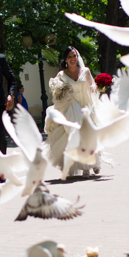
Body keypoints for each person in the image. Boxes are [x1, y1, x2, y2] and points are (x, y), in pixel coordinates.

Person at [43, 46, 102, 177]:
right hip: (71, 108)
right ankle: (85, 166)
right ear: (65, 59)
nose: (72, 59)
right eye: (69, 56)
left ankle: (94, 161)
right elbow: (56, 93)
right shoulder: (61, 75)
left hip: (86, 106)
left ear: (77, 57)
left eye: (74, 56)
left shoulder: (85, 71)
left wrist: (94, 87)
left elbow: (93, 86)